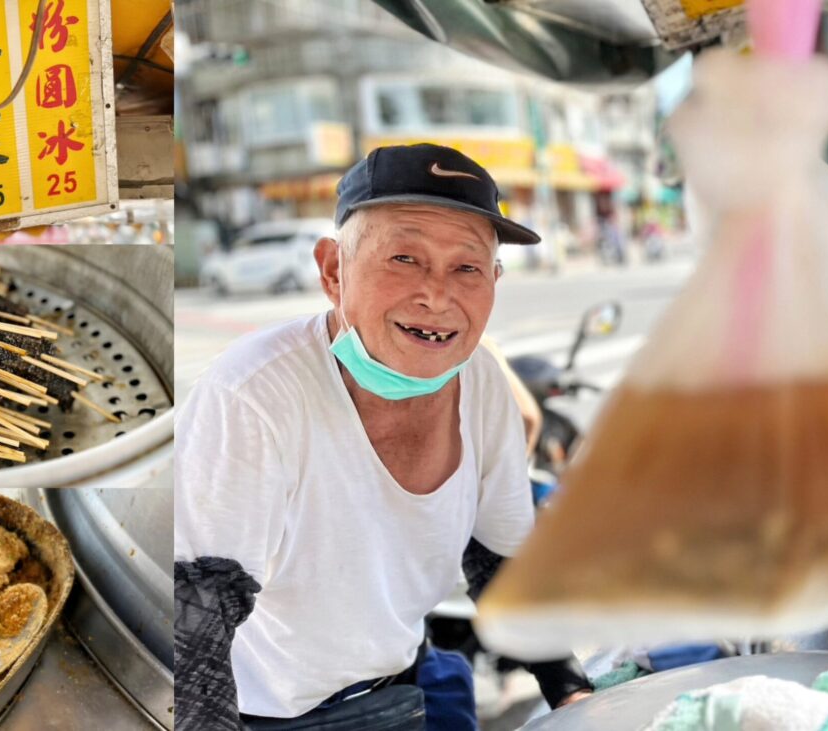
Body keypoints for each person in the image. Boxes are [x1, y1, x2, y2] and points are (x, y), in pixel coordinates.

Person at [175, 144, 592, 730]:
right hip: (272, 714)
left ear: (494, 279)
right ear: (332, 271)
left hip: (407, 678)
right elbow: (197, 618)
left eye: (467, 267)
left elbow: (496, 559)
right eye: (404, 258)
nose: (437, 295)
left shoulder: (484, 383)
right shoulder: (255, 394)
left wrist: (572, 692)